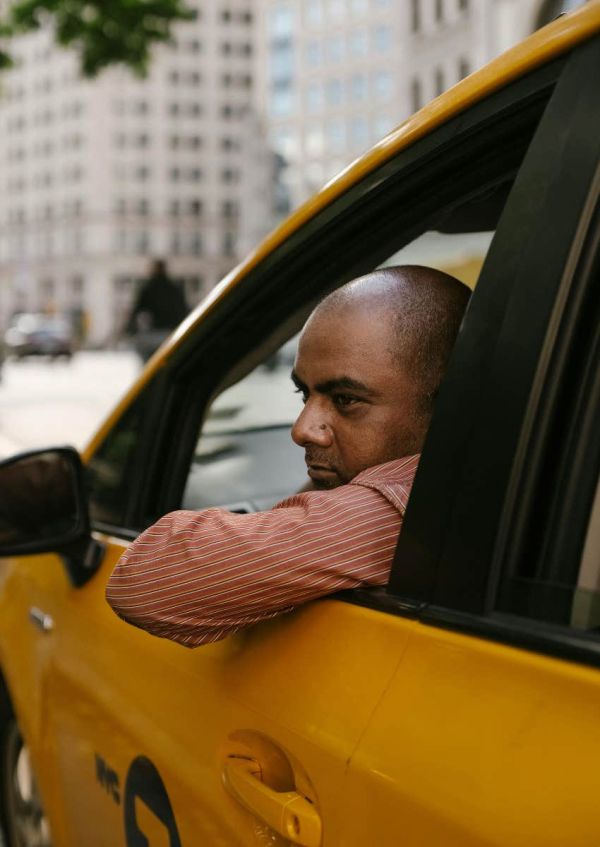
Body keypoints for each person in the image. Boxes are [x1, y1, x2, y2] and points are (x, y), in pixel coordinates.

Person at [106, 265, 470, 646]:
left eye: (346, 400)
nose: (301, 429)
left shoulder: (392, 516)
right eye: (304, 395)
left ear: (447, 407)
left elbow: (142, 580)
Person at [125, 258, 189, 362]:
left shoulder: (149, 288)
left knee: (147, 360)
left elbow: (136, 311)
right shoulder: (174, 288)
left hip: (154, 333)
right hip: (171, 333)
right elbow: (184, 311)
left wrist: (130, 330)